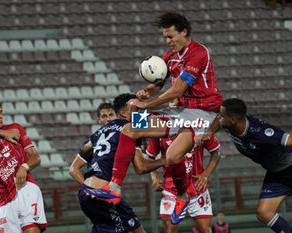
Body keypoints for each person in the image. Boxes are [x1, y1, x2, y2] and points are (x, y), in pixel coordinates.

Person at [86, 11, 223, 224]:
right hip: (180, 112)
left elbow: (177, 90)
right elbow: (159, 83)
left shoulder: (199, 53)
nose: (168, 42)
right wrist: (146, 92)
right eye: (165, 38)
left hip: (203, 114)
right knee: (130, 128)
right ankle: (114, 187)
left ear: (184, 31)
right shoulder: (169, 56)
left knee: (172, 156)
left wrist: (146, 104)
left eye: (170, 37)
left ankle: (182, 196)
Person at [195, 98, 292, 233]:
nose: (218, 116)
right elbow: (218, 122)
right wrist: (209, 132)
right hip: (277, 173)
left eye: (222, 115)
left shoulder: (261, 133)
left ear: (232, 120)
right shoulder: (228, 123)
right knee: (264, 213)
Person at [69, 94, 166, 233]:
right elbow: (141, 167)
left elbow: (75, 166)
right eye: (137, 108)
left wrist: (89, 188)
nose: (141, 112)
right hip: (103, 194)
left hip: (85, 194)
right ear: (123, 112)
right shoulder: (131, 128)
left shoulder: (99, 132)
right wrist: (164, 160)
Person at [0, 100, 48, 233]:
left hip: (24, 188)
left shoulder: (15, 129)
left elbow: (36, 158)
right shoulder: (6, 133)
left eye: (1, 112)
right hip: (4, 200)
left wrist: (24, 167)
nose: (0, 116)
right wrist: (3, 134)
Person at [147, 134, 221, 232]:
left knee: (206, 230)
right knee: (169, 230)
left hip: (197, 188)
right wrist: (154, 178)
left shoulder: (200, 126)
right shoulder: (161, 130)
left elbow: (216, 152)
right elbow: (150, 157)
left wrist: (206, 174)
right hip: (172, 190)